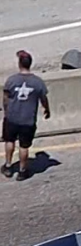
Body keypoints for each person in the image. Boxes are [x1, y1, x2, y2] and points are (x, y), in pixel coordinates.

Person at [2, 51, 50, 181]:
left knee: (9, 141)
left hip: (12, 117)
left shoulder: (11, 80)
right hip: (28, 120)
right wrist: (47, 110)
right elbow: (43, 99)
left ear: (19, 64)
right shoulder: (38, 82)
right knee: (24, 146)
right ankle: (22, 171)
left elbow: (5, 98)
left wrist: (6, 111)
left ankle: (7, 166)